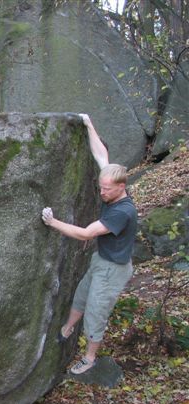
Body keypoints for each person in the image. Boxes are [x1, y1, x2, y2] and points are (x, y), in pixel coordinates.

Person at [41, 114, 138, 375]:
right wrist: (88, 124)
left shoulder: (122, 212)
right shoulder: (110, 180)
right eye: (100, 187)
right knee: (82, 294)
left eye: (107, 189)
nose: (102, 192)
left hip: (113, 269)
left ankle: (90, 358)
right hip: (101, 260)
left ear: (121, 186)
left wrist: (53, 223)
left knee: (96, 312)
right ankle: (68, 327)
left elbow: (85, 234)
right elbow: (101, 155)